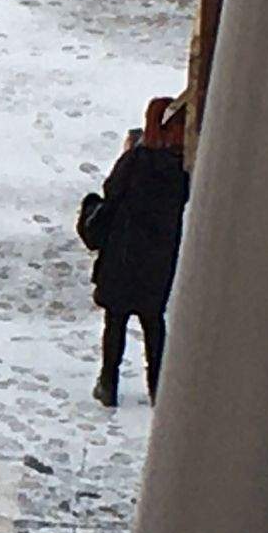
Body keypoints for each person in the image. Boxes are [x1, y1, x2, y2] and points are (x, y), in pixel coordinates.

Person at [84, 96, 190, 407]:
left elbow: (112, 192)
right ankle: (158, 386)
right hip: (158, 257)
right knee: (153, 323)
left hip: (124, 253)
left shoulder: (136, 161)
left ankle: (108, 383)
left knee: (115, 322)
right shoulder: (180, 170)